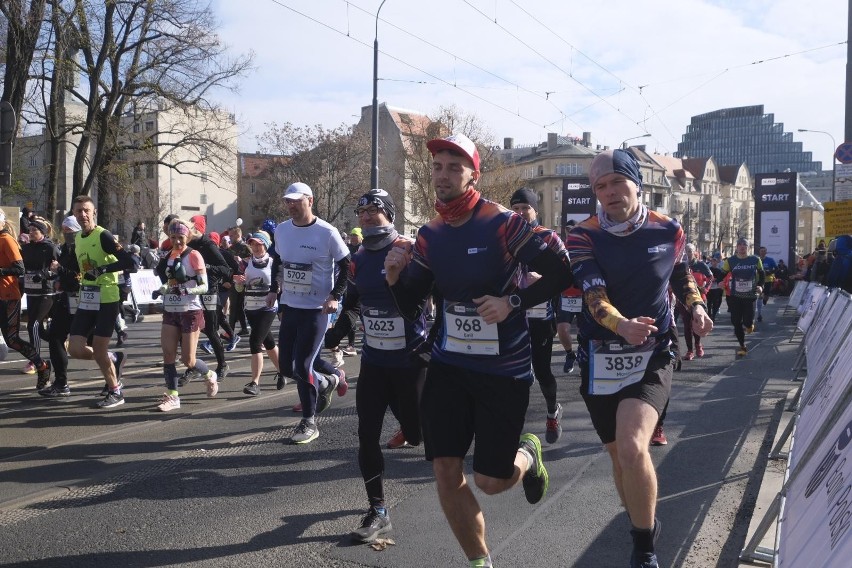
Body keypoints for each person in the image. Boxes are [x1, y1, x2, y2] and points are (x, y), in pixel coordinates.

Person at [384, 133, 570, 568]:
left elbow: (562, 272)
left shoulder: (503, 223)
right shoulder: (430, 234)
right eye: (437, 167)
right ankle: (479, 561)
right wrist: (395, 278)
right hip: (450, 365)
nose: (443, 175)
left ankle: (528, 453)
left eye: (454, 167)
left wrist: (512, 302)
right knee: (445, 471)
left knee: (490, 480)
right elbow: (413, 305)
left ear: (472, 174)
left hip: (503, 370)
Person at [564, 148, 712, 568]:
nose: (609, 193)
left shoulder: (669, 229)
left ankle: (644, 549)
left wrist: (697, 307)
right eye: (600, 186)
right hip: (602, 353)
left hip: (652, 352)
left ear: (637, 183)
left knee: (632, 445)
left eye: (616, 182)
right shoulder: (584, 234)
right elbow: (593, 294)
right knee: (618, 455)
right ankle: (642, 522)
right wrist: (619, 324)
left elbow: (681, 274)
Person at [340, 189, 427, 543]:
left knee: (418, 433)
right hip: (374, 361)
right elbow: (353, 300)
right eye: (360, 209)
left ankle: (413, 426)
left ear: (389, 213)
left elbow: (419, 302)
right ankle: (377, 508)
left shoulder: (409, 249)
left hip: (409, 360)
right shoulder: (358, 256)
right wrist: (333, 334)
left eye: (373, 208)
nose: (364, 214)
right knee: (366, 433)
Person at [271, 182, 351, 444]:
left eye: (297, 200)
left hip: (317, 309)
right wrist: (275, 291)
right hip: (291, 306)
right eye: (288, 201)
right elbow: (278, 263)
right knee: (286, 366)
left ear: (310, 201)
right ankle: (329, 380)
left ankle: (309, 421)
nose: (292, 205)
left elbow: (347, 266)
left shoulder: (327, 232)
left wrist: (335, 297)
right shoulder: (282, 231)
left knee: (303, 365)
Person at [509, 187, 570, 443]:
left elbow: (568, 271)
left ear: (535, 210)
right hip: (512, 314)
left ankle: (552, 411)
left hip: (541, 316)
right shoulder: (506, 235)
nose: (521, 213)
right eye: (517, 209)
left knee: (542, 370)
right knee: (513, 374)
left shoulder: (549, 237)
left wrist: (543, 278)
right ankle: (510, 427)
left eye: (526, 208)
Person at [67, 195, 136, 408]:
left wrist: (103, 269)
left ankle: (116, 391)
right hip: (87, 299)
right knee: (75, 348)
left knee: (98, 349)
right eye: (79, 211)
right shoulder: (78, 238)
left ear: (94, 211)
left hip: (107, 298)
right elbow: (79, 268)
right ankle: (113, 358)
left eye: (86, 210)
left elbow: (130, 262)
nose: (83, 215)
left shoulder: (103, 235)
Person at [153, 218, 219, 411]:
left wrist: (187, 291)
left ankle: (209, 375)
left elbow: (204, 286)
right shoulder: (170, 256)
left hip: (190, 310)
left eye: (180, 237)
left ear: (187, 236)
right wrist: (162, 289)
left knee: (188, 360)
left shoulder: (194, 255)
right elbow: (171, 282)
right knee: (168, 354)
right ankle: (173, 396)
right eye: (173, 237)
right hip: (171, 310)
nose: (177, 241)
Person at [0, 210, 53, 388]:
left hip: (8, 297)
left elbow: (19, 269)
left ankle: (41, 365)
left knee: (12, 339)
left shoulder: (6, 240)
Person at [39, 217, 84, 397]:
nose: (67, 234)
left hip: (85, 300)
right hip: (66, 299)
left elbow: (81, 276)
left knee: (87, 344)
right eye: (64, 231)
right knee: (56, 337)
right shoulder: (64, 249)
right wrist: (55, 278)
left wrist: (60, 272)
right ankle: (61, 383)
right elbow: (62, 273)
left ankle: (112, 361)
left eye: (70, 231)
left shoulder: (83, 249)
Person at [236, 231, 283, 396]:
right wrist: (239, 283)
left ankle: (255, 383)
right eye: (253, 244)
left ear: (266, 245)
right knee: (268, 341)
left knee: (255, 342)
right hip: (250, 308)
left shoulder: (273, 262)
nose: (255, 247)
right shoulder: (245, 264)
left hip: (268, 307)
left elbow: (279, 283)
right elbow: (239, 289)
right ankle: (283, 370)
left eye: (259, 244)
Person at [21, 218, 61, 378]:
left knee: (33, 325)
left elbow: (59, 268)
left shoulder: (50, 247)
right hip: (31, 291)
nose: (31, 233)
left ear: (42, 233)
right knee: (40, 329)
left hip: (46, 292)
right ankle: (58, 341)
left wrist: (44, 274)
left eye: (34, 230)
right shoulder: (26, 248)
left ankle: (35, 361)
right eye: (29, 230)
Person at [721, 237, 764, 356]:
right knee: (735, 321)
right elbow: (722, 273)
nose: (742, 247)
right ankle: (742, 346)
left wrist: (761, 286)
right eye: (739, 245)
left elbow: (762, 273)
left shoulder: (755, 260)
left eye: (744, 245)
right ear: (736, 247)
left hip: (750, 296)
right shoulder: (730, 261)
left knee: (748, 322)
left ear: (748, 247)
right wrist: (719, 281)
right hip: (735, 296)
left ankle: (750, 325)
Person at [557, 219, 582, 374]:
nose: (570, 231)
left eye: (573, 229)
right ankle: (570, 354)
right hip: (566, 296)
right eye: (568, 229)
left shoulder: (585, 247)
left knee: (584, 331)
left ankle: (584, 357)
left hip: (584, 296)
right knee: (563, 330)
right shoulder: (561, 249)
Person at [756, 246, 776, 322]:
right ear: (759, 252)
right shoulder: (756, 260)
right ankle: (759, 313)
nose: (763, 252)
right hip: (759, 281)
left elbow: (776, 268)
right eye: (761, 251)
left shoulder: (770, 260)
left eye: (764, 251)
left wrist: (769, 272)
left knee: (766, 295)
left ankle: (763, 303)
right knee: (759, 296)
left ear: (766, 252)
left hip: (768, 280)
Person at [706, 253, 725, 322]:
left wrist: (716, 280)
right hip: (709, 288)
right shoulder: (708, 269)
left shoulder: (719, 270)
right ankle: (709, 314)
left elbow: (721, 279)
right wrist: (710, 279)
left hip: (716, 288)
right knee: (709, 302)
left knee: (715, 302)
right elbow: (706, 277)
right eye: (713, 261)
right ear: (711, 262)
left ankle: (713, 316)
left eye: (715, 261)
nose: (714, 263)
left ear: (717, 262)